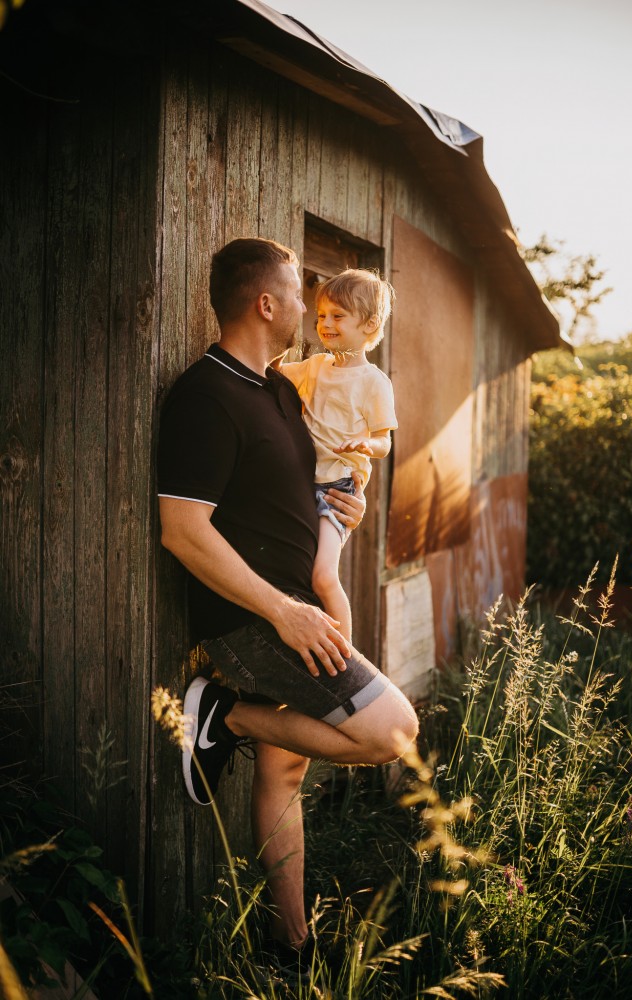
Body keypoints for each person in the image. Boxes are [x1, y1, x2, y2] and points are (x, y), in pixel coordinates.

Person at [156, 237, 418, 965]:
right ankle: (221, 709)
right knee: (393, 731)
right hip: (255, 623)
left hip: (295, 600)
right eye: (299, 295)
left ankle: (289, 942)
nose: (309, 306)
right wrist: (282, 609)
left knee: (285, 770)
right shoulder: (203, 397)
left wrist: (341, 503)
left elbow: (317, 471)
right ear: (266, 304)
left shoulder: (276, 388)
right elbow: (183, 532)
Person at [281, 269, 397, 641]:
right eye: (320, 315)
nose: (325, 323)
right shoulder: (315, 367)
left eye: (337, 316)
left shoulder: (374, 382)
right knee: (298, 573)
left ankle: (347, 659)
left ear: (369, 324)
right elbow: (269, 370)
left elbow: (384, 442)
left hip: (338, 489)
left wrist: (366, 446)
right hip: (302, 484)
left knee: (324, 576)